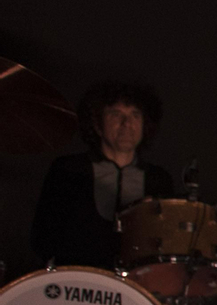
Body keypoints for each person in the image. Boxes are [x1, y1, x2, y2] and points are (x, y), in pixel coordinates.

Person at [31, 80, 173, 269]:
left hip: (136, 285)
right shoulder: (69, 170)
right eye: (116, 114)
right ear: (97, 124)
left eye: (135, 115)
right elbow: (42, 238)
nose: (127, 124)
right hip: (77, 281)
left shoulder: (158, 180)